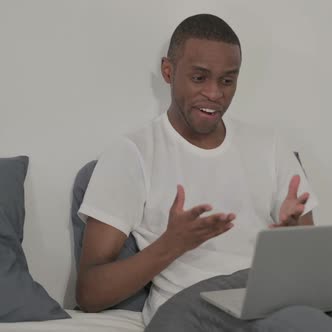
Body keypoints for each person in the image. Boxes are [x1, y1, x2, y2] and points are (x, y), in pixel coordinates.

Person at [75, 13, 318, 325]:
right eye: (200, 78)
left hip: (271, 301)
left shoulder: (270, 146)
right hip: (192, 307)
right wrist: (172, 244)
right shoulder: (132, 154)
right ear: (168, 71)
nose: (215, 94)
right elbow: (89, 293)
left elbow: (312, 262)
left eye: (227, 80)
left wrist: (291, 243)